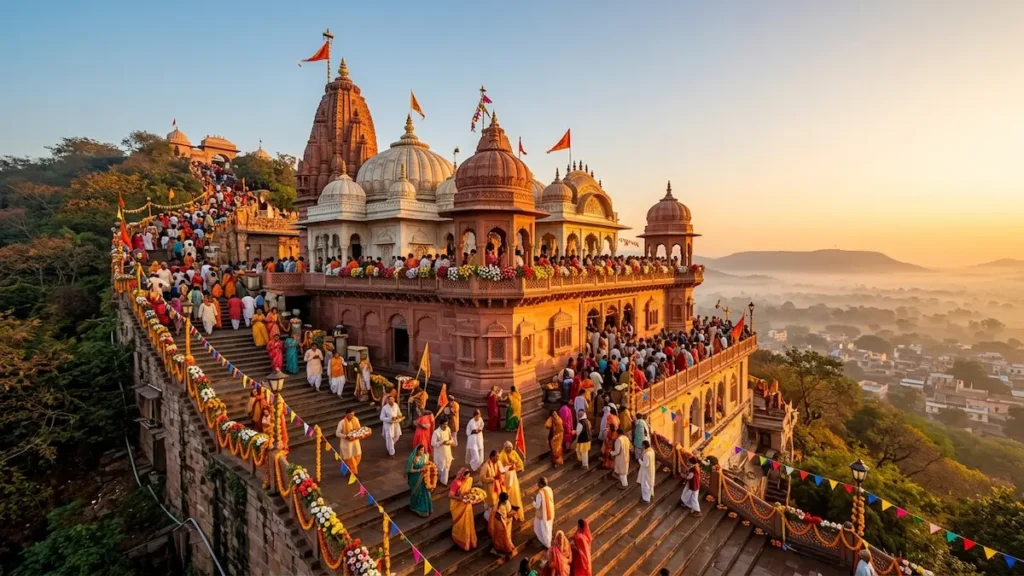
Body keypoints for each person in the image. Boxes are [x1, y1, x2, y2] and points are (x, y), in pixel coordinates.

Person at [449, 468, 477, 551]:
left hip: (466, 504)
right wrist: (459, 498)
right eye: (465, 477)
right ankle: (459, 538)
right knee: (460, 523)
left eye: (468, 477)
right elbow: (450, 495)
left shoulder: (469, 480)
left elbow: (468, 491)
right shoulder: (456, 483)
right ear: (462, 476)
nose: (467, 479)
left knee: (468, 522)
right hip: (458, 505)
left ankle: (469, 541)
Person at [498, 441, 525, 522]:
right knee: (507, 492)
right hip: (506, 477)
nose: (509, 449)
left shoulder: (514, 453)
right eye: (507, 448)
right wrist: (507, 467)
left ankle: (515, 512)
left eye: (510, 447)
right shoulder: (501, 455)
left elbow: (520, 462)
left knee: (515, 492)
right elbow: (500, 468)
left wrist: (515, 466)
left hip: (513, 476)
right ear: (504, 448)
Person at [406, 445, 433, 518]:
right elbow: (410, 470)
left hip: (424, 476)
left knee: (425, 492)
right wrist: (419, 470)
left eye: (423, 450)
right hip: (415, 477)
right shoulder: (414, 458)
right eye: (420, 450)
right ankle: (416, 508)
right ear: (417, 451)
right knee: (417, 492)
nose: (422, 452)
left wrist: (429, 467)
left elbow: (427, 463)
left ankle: (426, 509)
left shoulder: (425, 456)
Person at [480, 450, 506, 522]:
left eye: (498, 456)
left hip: (498, 486)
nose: (498, 458)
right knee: (490, 503)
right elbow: (482, 478)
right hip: (489, 488)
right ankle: (489, 518)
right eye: (497, 456)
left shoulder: (499, 462)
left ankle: (494, 515)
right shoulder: (486, 466)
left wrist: (501, 475)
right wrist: (493, 478)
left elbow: (502, 471)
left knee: (497, 501)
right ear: (492, 457)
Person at [336, 408, 363, 475]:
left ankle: (351, 468)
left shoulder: (355, 419)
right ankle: (354, 472)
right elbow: (337, 433)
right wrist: (346, 436)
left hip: (355, 441)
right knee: (349, 458)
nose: (352, 416)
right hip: (346, 443)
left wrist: (359, 433)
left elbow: (359, 428)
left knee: (358, 455)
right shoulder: (342, 422)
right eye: (350, 415)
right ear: (346, 414)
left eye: (353, 415)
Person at [489, 492, 515, 557]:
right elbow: (507, 516)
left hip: (501, 524)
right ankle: (503, 549)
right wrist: (514, 512)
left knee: (502, 537)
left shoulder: (498, 504)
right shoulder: (502, 507)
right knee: (503, 537)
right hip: (502, 524)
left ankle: (501, 549)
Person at [431, 418, 455, 486]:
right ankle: (438, 479)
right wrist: (442, 442)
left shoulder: (448, 429)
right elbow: (433, 443)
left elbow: (451, 439)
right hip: (439, 453)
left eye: (446, 424)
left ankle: (444, 482)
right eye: (444, 424)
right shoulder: (436, 432)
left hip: (447, 452)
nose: (445, 426)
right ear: (440, 424)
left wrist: (449, 442)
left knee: (446, 467)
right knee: (439, 467)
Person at [533, 476, 555, 548]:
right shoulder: (549, 489)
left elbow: (537, 506)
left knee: (542, 529)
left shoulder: (540, 493)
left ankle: (547, 545)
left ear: (541, 484)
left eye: (538, 483)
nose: (537, 484)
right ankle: (547, 542)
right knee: (548, 528)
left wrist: (534, 500)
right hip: (550, 511)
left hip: (543, 514)